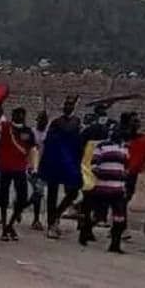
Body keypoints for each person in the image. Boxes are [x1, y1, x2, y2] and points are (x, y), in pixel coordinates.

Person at [79, 116, 132, 253]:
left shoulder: (125, 148)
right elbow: (94, 163)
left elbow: (126, 165)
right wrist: (104, 174)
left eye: (120, 131)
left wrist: (123, 176)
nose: (118, 133)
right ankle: (85, 231)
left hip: (118, 189)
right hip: (102, 188)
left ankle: (115, 245)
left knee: (119, 217)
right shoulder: (101, 146)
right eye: (116, 130)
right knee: (98, 216)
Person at [38, 97, 83, 239]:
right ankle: (52, 223)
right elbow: (49, 142)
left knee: (73, 191)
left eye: (70, 105)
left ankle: (57, 214)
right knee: (52, 194)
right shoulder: (57, 122)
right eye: (66, 104)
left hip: (70, 161)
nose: (67, 107)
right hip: (56, 161)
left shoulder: (75, 122)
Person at [0, 107, 34, 241]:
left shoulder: (28, 131)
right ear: (12, 115)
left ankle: (10, 225)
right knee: (3, 198)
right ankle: (4, 228)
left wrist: (32, 167)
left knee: (23, 197)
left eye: (21, 115)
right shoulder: (5, 127)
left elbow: (30, 149)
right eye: (16, 114)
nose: (19, 117)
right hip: (5, 167)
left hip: (19, 168)